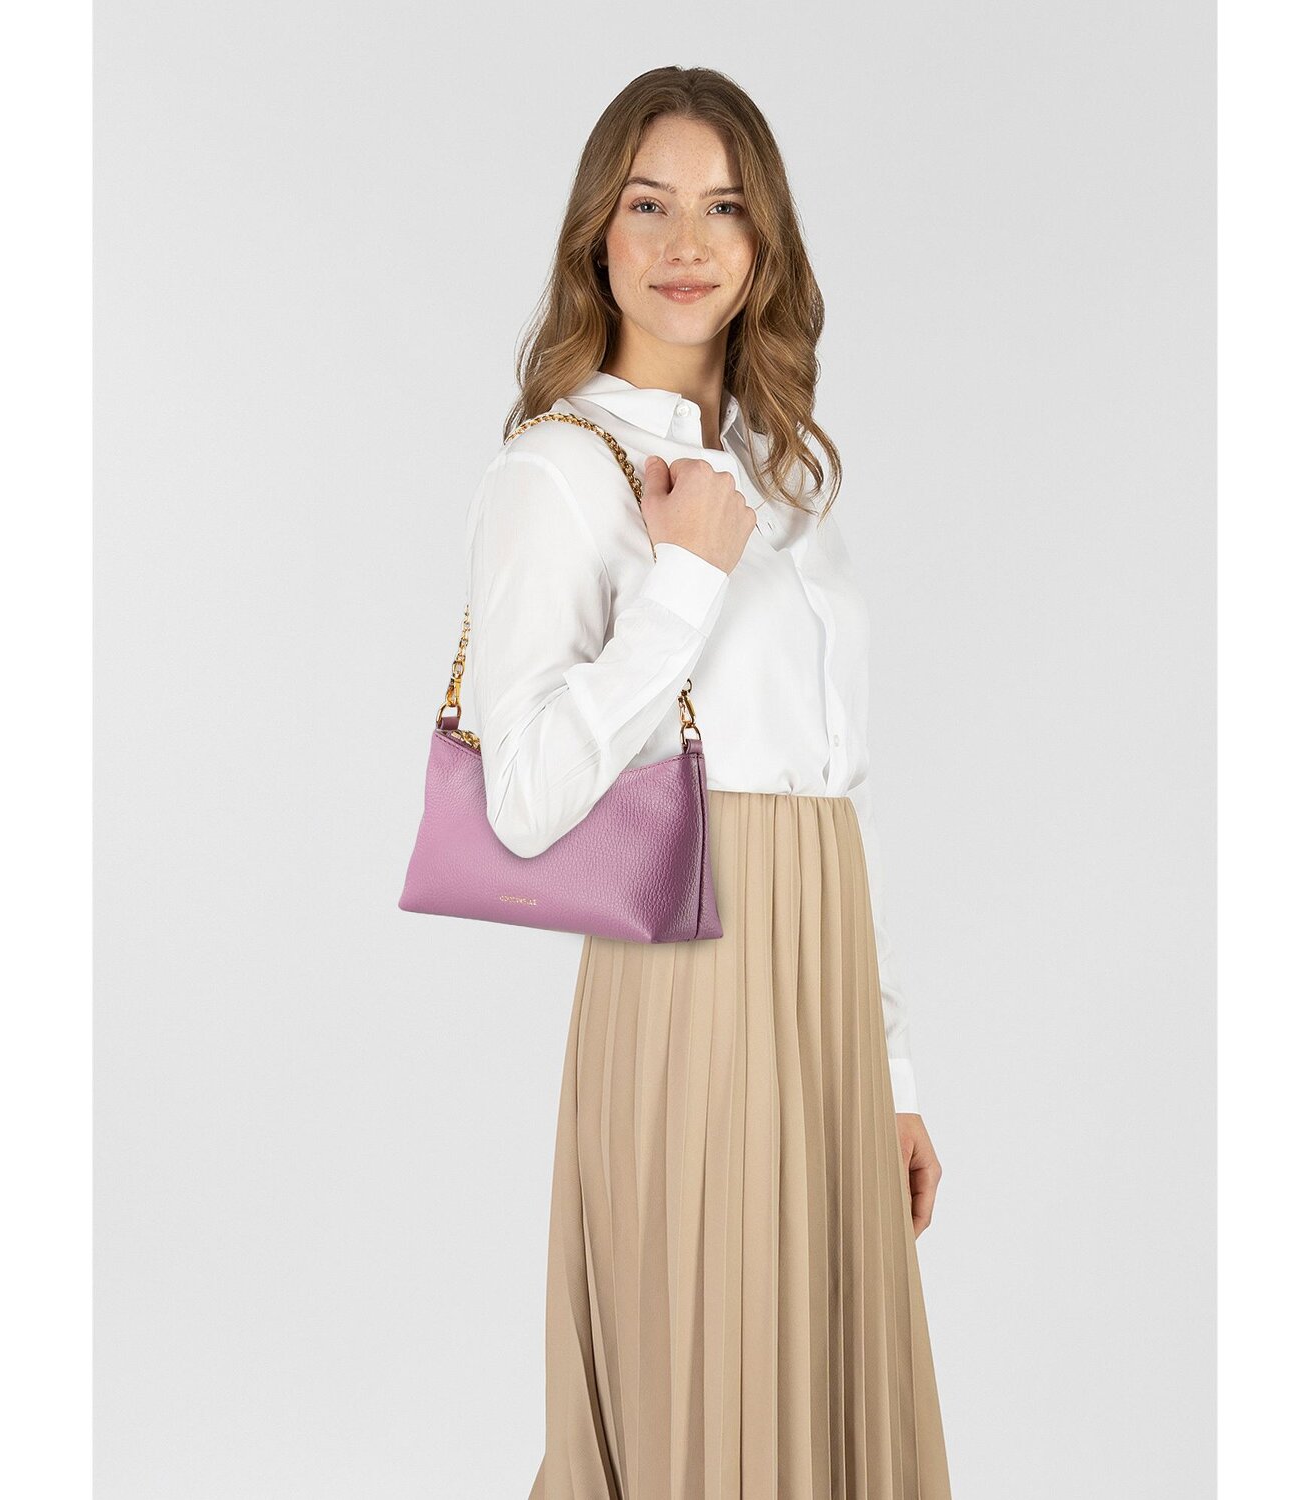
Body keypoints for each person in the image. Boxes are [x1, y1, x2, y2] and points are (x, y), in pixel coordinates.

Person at [459, 65, 952, 1499]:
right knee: (708, 1406)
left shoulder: (780, 480)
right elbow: (522, 797)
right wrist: (680, 583)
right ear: (596, 236)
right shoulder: (560, 469)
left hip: (821, 978)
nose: (687, 243)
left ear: (764, 241)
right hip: (690, 970)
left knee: (825, 1410)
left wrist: (891, 1071)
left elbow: (834, 788)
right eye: (650, 204)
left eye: (725, 208)